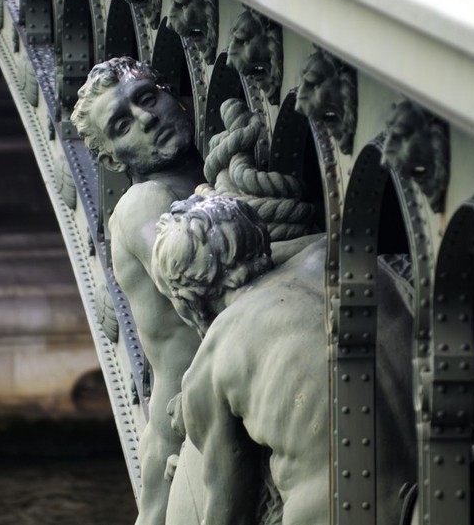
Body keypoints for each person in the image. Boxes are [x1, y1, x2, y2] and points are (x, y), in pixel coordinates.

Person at [153, 194, 416, 525]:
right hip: (447, 494)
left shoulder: (214, 359)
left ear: (187, 302)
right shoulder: (334, 256)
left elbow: (229, 514)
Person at [71, 57, 204, 525]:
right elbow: (204, 279)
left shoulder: (198, 186)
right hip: (184, 438)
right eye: (123, 125)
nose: (146, 119)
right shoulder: (145, 203)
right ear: (111, 159)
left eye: (148, 98)